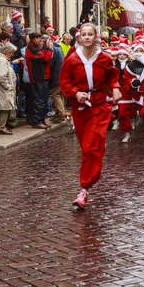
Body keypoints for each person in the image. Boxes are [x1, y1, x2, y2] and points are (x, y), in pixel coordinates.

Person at [60, 23, 121, 209]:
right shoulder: (71, 59)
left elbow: (112, 76)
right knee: (87, 148)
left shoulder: (105, 58)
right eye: (83, 34)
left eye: (90, 34)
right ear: (79, 38)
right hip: (80, 108)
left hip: (100, 106)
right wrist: (75, 93)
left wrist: (116, 88)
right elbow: (64, 81)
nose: (87, 37)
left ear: (96, 37)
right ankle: (93, 172)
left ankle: (84, 189)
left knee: (89, 147)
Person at [0, 43, 18, 135]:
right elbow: (2, 76)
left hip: (3, 88)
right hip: (3, 89)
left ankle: (1, 126)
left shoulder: (3, 59)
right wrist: (8, 87)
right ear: (8, 51)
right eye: (12, 52)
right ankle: (2, 126)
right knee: (5, 107)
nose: (13, 54)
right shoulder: (2, 60)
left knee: (5, 107)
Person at [25, 32, 53, 129]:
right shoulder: (31, 49)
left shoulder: (36, 49)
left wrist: (46, 50)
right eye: (38, 38)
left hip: (42, 77)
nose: (41, 40)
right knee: (39, 100)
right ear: (33, 39)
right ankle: (37, 121)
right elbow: (45, 59)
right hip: (38, 77)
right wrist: (49, 49)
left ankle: (41, 120)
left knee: (43, 100)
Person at [49, 35, 66, 123]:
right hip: (62, 75)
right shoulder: (59, 49)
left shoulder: (53, 50)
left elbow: (51, 64)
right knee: (60, 94)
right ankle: (59, 113)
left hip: (57, 75)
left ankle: (61, 114)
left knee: (55, 94)